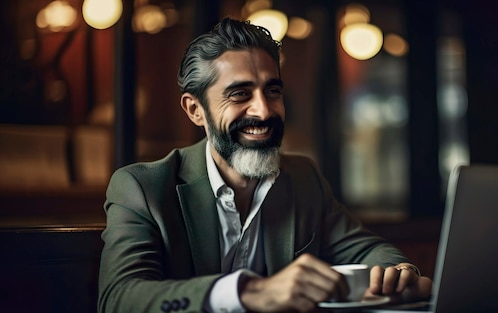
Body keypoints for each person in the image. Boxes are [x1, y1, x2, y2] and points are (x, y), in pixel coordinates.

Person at [98, 17, 432, 313]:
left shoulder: (303, 178)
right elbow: (119, 299)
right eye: (240, 94)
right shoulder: (141, 188)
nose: (264, 111)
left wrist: (397, 271)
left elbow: (368, 250)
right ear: (195, 110)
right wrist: (250, 292)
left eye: (272, 91)